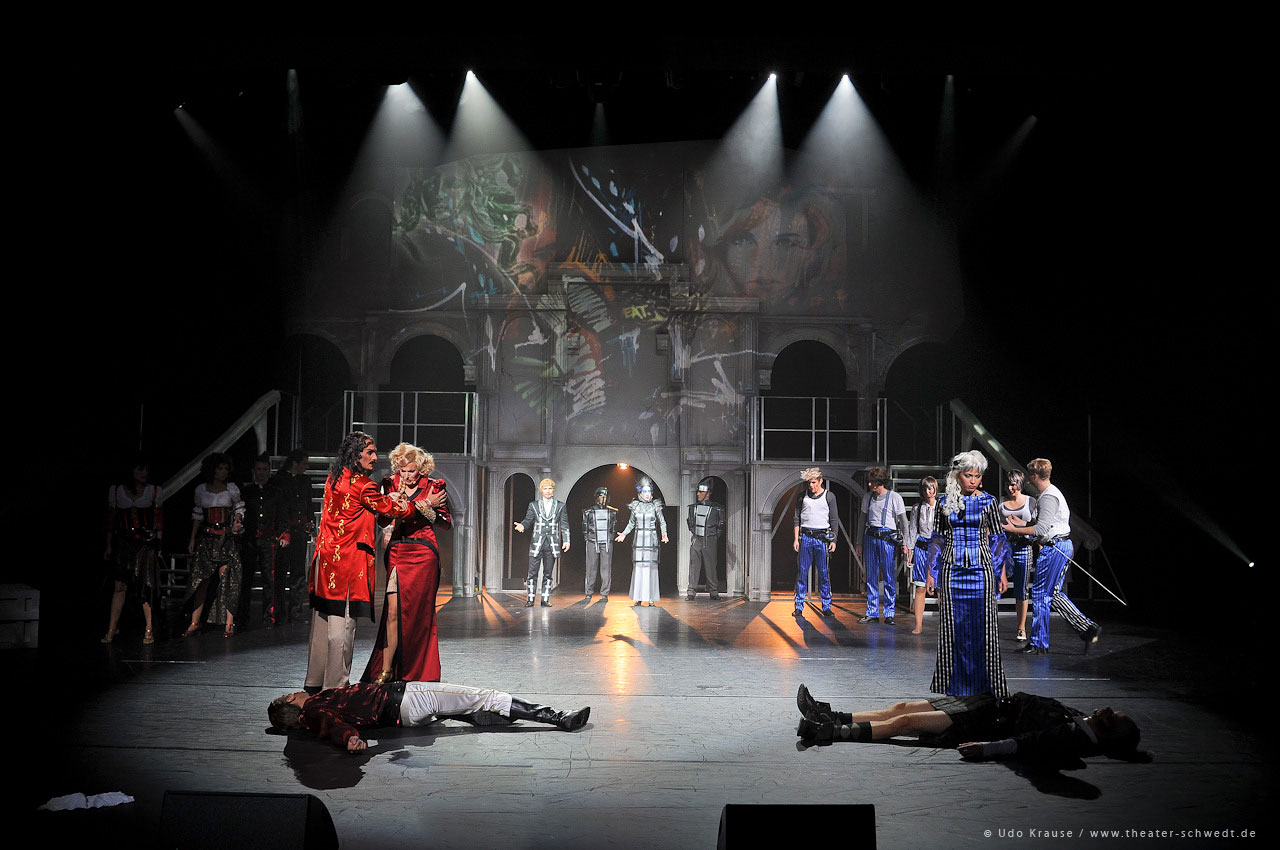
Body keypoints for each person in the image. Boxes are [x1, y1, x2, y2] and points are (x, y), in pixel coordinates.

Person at [305, 432, 417, 692]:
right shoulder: (363, 485)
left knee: (322, 622)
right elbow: (391, 510)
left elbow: (368, 512)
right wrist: (417, 504)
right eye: (370, 452)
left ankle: (313, 683)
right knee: (342, 626)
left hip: (326, 560)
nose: (375, 457)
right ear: (356, 456)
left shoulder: (333, 478)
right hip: (347, 563)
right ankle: (336, 688)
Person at [793, 684, 1142, 764]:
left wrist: (988, 749)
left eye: (1114, 718)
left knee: (906, 722)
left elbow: (1030, 743)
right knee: (902, 707)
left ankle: (829, 731)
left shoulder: (1071, 736)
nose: (1109, 710)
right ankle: (829, 715)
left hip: (985, 722)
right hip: (986, 704)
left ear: (1108, 733)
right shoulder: (1076, 718)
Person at [268, 681, 590, 753]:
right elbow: (333, 726)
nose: (295, 691)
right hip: (409, 699)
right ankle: (558, 717)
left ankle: (478, 717)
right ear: (290, 703)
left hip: (406, 707)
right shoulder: (313, 711)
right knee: (485, 696)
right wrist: (349, 738)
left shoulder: (315, 707)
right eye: (289, 694)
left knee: (469, 705)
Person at [361, 443, 450, 685]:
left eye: (411, 471)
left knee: (419, 615)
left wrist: (429, 508)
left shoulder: (434, 486)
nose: (407, 476)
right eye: (403, 471)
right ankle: (386, 669)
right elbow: (381, 522)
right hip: (398, 550)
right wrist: (390, 507)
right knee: (392, 611)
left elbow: (445, 524)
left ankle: (416, 669)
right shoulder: (389, 484)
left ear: (421, 469)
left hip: (424, 553)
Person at [925, 451, 1009, 696]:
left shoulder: (989, 502)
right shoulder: (943, 503)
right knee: (953, 629)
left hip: (982, 571)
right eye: (968, 475)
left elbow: (998, 540)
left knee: (984, 628)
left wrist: (1000, 572)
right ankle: (955, 686)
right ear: (957, 475)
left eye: (977, 476)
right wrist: (931, 573)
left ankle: (987, 687)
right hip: (951, 572)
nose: (973, 480)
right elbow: (937, 539)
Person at [1007, 458, 1101, 655]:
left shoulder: (1048, 496)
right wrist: (1024, 524)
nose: (1028, 480)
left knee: (1041, 593)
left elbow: (1041, 529)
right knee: (1053, 593)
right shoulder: (1049, 493)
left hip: (1055, 547)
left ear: (1034, 476)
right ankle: (1087, 628)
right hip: (1060, 545)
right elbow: (1046, 523)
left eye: (1029, 475)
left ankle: (1039, 642)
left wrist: (1015, 529)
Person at [102, 457, 163, 644]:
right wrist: (108, 545)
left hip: (145, 543)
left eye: (146, 470)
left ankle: (149, 629)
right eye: (139, 469)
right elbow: (111, 521)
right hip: (123, 542)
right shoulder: (117, 491)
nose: (144, 473)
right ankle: (112, 629)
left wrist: (159, 545)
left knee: (146, 585)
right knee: (120, 586)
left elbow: (158, 521)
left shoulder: (153, 491)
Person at [185, 453, 245, 638]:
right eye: (219, 468)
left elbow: (239, 508)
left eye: (225, 469)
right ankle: (195, 622)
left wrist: (237, 520)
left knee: (228, 579)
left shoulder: (231, 489)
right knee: (201, 581)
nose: (223, 472)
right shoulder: (202, 490)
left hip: (225, 539)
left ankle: (229, 623)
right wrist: (192, 539)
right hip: (207, 539)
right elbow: (197, 516)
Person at [855, 467, 910, 625]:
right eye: (870, 481)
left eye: (873, 482)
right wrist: (859, 542)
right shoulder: (868, 497)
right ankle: (872, 612)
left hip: (887, 539)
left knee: (888, 576)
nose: (870, 484)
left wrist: (906, 543)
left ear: (880, 482)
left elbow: (904, 523)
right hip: (871, 537)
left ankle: (889, 612)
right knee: (871, 576)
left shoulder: (894, 497)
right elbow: (862, 521)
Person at [241, 454, 289, 627]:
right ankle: (243, 616)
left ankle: (269, 616)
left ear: (269, 471)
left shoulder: (276, 492)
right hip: (249, 540)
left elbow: (282, 515)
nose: (261, 472)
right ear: (254, 471)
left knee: (270, 579)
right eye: (258, 469)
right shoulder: (246, 492)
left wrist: (284, 534)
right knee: (245, 579)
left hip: (268, 540)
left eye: (264, 469)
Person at [271, 449, 313, 622]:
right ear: (295, 463)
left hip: (300, 530)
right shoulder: (279, 479)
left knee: (298, 572)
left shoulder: (305, 481)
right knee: (280, 572)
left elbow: (308, 503)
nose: (306, 467)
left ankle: (295, 611)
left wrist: (310, 522)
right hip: (284, 531)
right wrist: (282, 531)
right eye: (304, 463)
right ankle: (278, 611)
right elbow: (278, 507)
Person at [514, 478, 569, 607]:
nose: (548, 491)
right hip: (537, 543)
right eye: (545, 488)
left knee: (548, 574)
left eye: (550, 488)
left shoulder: (560, 506)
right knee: (532, 573)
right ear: (541, 490)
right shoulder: (534, 505)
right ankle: (530, 599)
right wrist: (522, 526)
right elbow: (528, 520)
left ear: (553, 490)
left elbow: (564, 524)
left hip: (551, 544)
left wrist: (566, 540)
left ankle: (545, 599)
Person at [792, 467, 839, 618]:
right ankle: (799, 605)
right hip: (806, 537)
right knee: (802, 572)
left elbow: (834, 519)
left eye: (813, 482)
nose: (811, 486)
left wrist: (833, 540)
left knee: (824, 573)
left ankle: (826, 606)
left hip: (822, 538)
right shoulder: (802, 496)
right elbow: (797, 518)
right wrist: (796, 538)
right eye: (809, 483)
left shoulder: (829, 496)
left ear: (820, 481)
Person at [616, 475, 669, 606]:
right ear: (640, 492)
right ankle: (638, 597)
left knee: (650, 568)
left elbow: (662, 522)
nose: (647, 494)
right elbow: (631, 523)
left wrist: (664, 534)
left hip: (651, 540)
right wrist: (624, 533)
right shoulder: (636, 506)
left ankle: (650, 598)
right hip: (639, 540)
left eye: (649, 491)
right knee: (639, 567)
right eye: (644, 491)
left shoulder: (655, 506)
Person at [998, 469, 1038, 643]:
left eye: (1013, 484)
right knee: (996, 583)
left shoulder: (1031, 501)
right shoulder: (1001, 502)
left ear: (1020, 484)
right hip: (1005, 547)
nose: (1010, 488)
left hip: (1024, 546)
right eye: (1008, 484)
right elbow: (994, 526)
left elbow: (1038, 526)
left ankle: (1021, 627)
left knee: (1022, 588)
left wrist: (1023, 525)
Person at [907, 476, 939, 635]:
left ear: (935, 489)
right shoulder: (917, 508)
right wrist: (910, 549)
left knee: (940, 587)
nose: (928, 491)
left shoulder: (941, 507)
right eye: (925, 488)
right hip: (921, 548)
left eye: (931, 488)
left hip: (937, 549)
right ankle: (918, 624)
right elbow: (913, 529)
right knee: (920, 587)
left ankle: (945, 624)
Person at [686, 477, 726, 600]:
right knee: (694, 566)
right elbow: (690, 522)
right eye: (698, 491)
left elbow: (721, 524)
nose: (698, 494)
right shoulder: (693, 508)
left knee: (711, 566)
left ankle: (713, 592)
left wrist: (714, 536)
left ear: (707, 493)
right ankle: (691, 592)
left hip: (709, 539)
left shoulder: (717, 508)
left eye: (701, 492)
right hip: (697, 539)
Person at [582, 486, 617, 603]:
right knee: (591, 567)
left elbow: (613, 528)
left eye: (605, 496)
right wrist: (588, 539)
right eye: (601, 496)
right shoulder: (588, 512)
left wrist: (610, 539)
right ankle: (589, 592)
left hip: (606, 542)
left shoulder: (612, 512)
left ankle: (605, 593)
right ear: (596, 497)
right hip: (592, 541)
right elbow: (585, 528)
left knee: (606, 568)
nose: (603, 498)